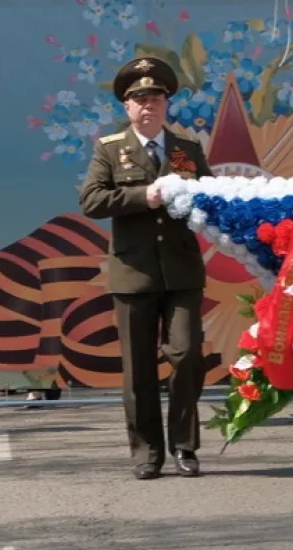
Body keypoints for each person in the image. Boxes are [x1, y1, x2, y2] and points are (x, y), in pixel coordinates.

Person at [78, 57, 215, 480]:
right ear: (127, 107)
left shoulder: (188, 150)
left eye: (155, 98)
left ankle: (185, 447)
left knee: (187, 354)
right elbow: (92, 201)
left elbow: (209, 199)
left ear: (167, 103)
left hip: (182, 273)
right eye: (139, 99)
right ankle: (147, 452)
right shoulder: (109, 149)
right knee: (138, 369)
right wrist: (144, 196)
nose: (147, 105)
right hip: (134, 273)